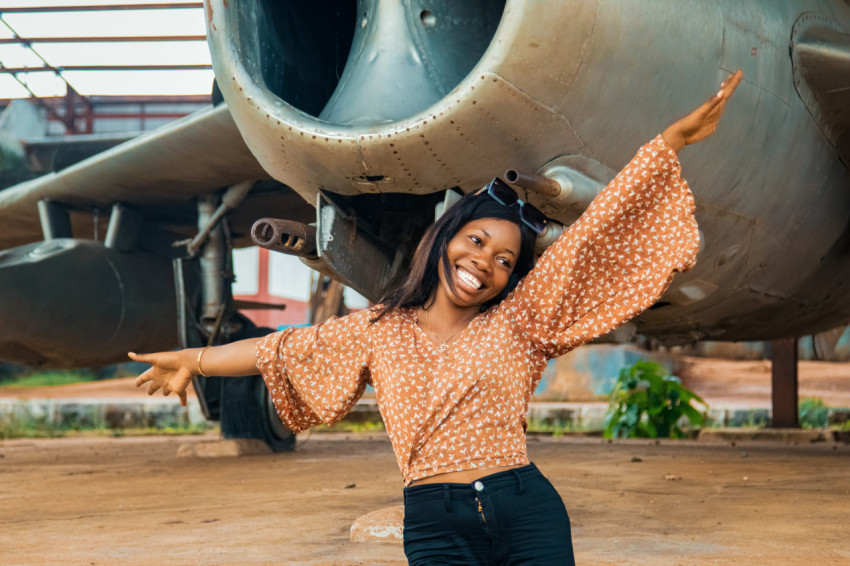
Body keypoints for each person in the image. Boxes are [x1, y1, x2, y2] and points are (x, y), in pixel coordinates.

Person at [131, 71, 743, 565]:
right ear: (445, 236)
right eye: (476, 241)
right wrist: (193, 359)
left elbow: (593, 236)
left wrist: (673, 140)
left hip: (525, 508)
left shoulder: (520, 323)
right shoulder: (378, 331)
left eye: (505, 260)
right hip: (433, 522)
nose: (486, 264)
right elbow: (280, 349)